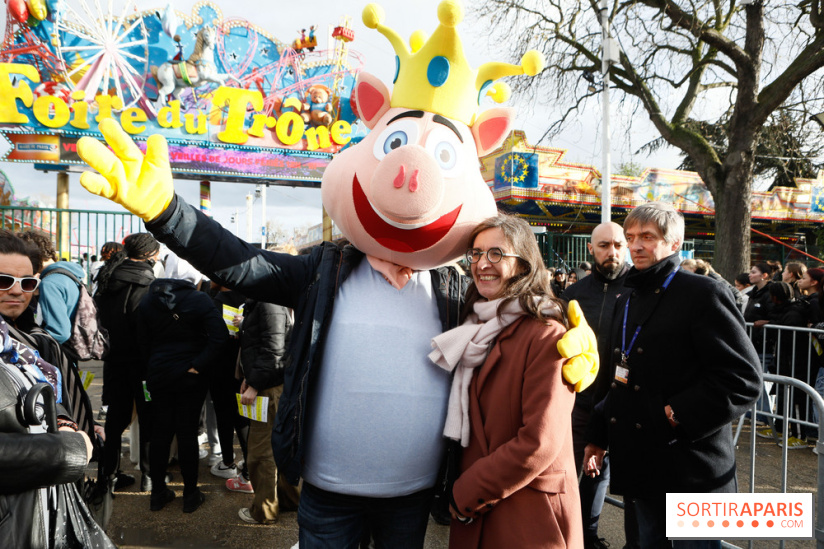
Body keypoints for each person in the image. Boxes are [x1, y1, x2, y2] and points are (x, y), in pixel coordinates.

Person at [583, 202, 762, 549]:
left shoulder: (704, 293)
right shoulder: (628, 297)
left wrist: (679, 414)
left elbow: (743, 378)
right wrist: (598, 434)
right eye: (631, 236)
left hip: (690, 468)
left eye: (647, 237)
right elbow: (621, 378)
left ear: (675, 243)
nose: (635, 245)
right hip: (643, 466)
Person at [431, 214, 582, 548]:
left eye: (496, 254)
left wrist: (466, 492)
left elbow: (538, 442)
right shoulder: (471, 326)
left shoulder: (546, 334)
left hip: (527, 513)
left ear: (524, 266)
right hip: (480, 510)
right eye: (476, 253)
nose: (483, 263)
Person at [561, 222, 638, 549]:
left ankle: (636, 543)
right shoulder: (573, 294)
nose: (613, 252)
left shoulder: (639, 291)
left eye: (619, 245)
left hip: (626, 402)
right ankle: (582, 537)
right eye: (604, 245)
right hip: (580, 402)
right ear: (591, 249)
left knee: (633, 481)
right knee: (576, 472)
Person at [139, 255, 227, 513]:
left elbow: (142, 343)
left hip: (159, 375)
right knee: (187, 434)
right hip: (190, 376)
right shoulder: (199, 299)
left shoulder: (147, 300)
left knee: (160, 434)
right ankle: (190, 494)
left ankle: (158, 493)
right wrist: (198, 364)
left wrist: (153, 367)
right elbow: (219, 337)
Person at [94, 233, 160, 492]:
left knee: (115, 419)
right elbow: (147, 326)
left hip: (114, 360)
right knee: (147, 417)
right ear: (150, 255)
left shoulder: (108, 277)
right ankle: (149, 477)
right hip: (142, 364)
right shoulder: (146, 281)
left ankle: (108, 476)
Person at [234, 294, 301, 524]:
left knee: (262, 452)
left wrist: (255, 383)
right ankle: (289, 499)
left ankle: (264, 510)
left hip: (269, 388)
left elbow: (274, 350)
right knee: (277, 446)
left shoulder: (268, 301)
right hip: (270, 384)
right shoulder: (266, 300)